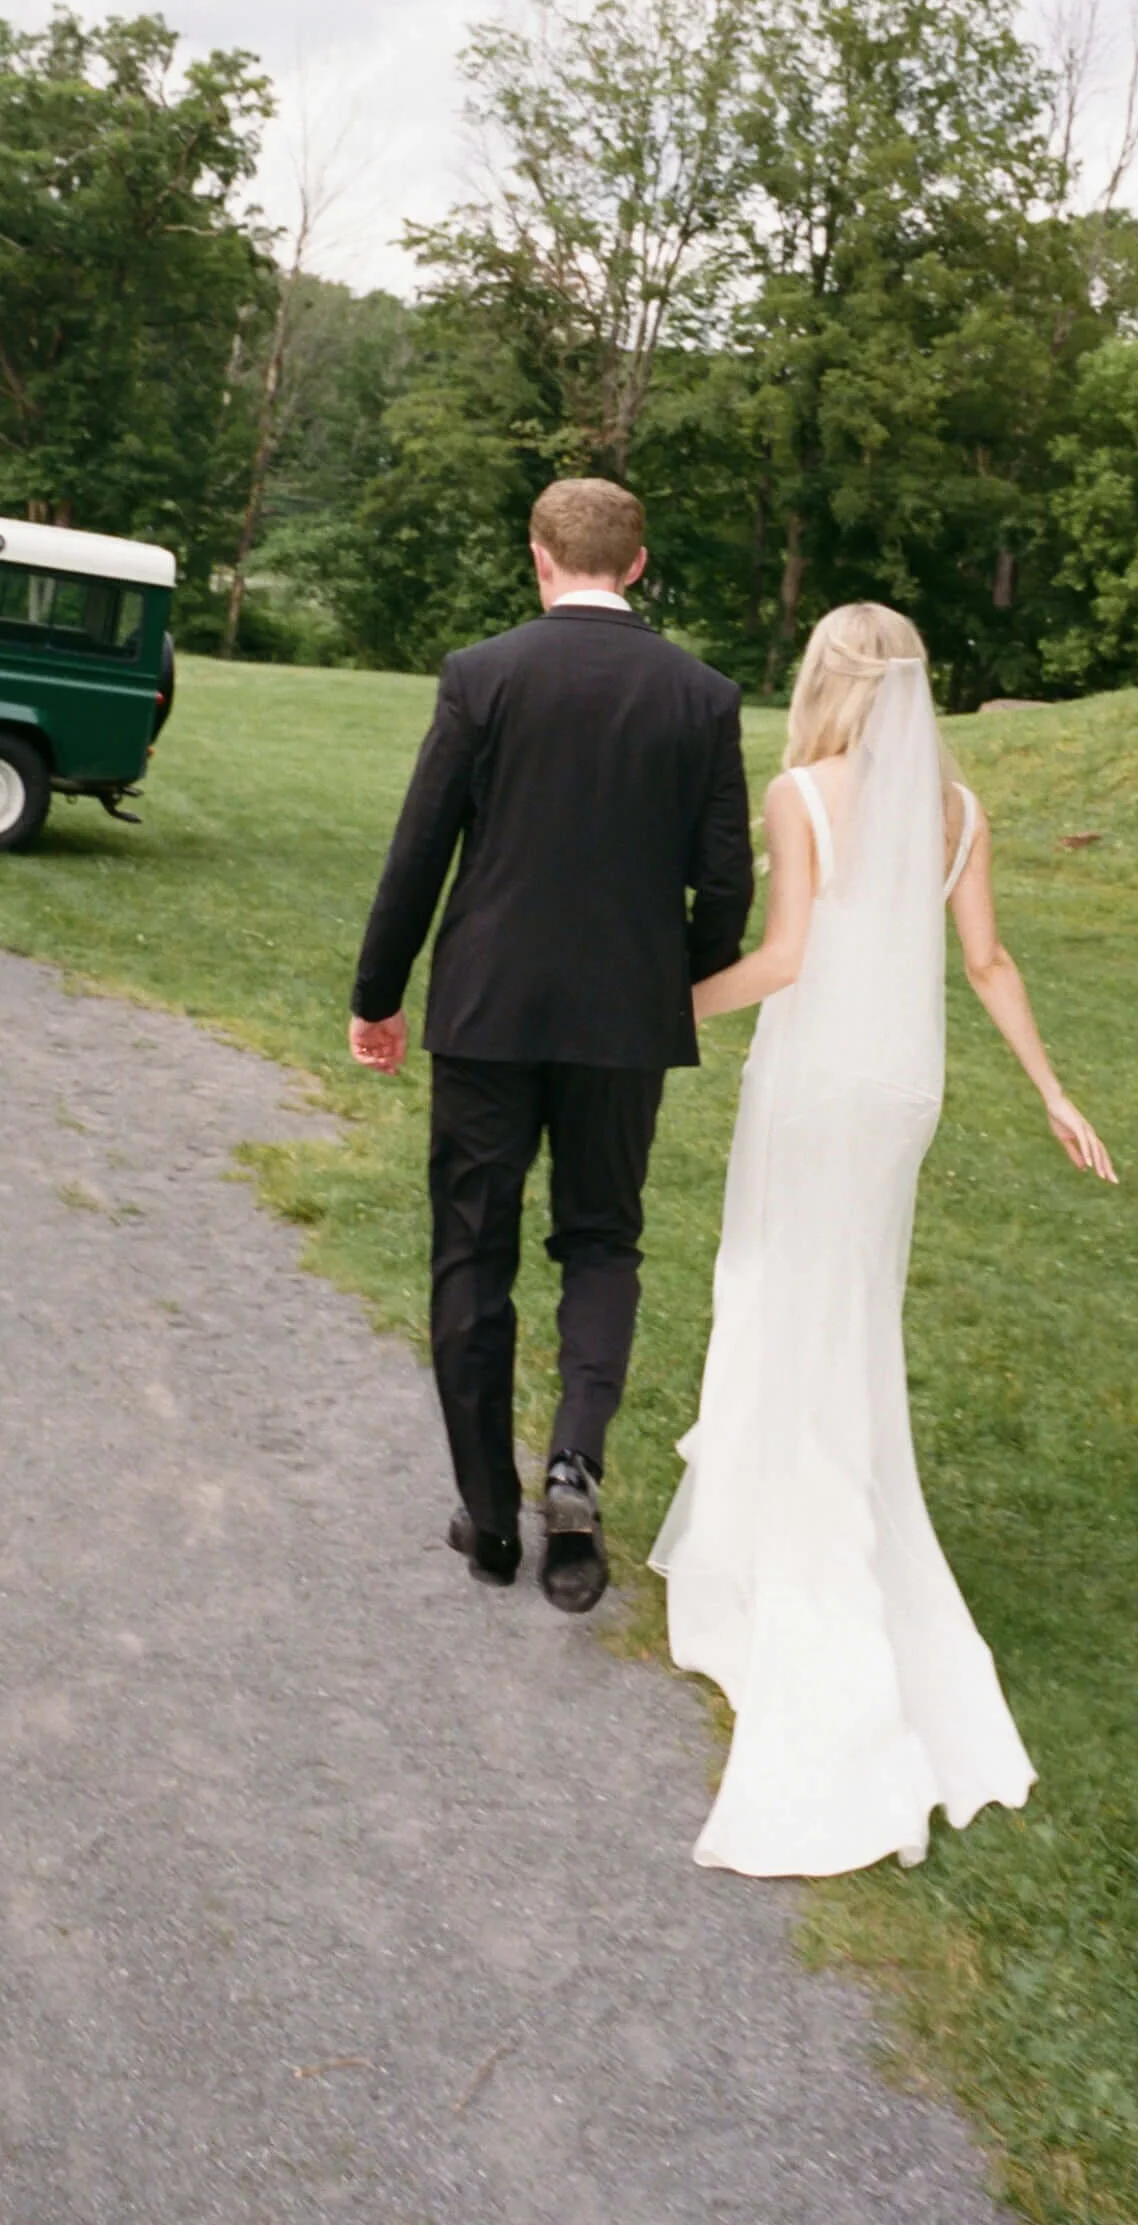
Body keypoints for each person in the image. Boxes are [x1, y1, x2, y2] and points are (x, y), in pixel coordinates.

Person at [650, 601, 1115, 1877]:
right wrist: (1050, 1089)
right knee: (846, 1307)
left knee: (772, 1283)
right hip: (903, 1091)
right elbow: (989, 962)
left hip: (815, 1087)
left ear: (825, 681)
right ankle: (805, 1506)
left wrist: (661, 1005)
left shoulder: (798, 790)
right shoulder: (958, 812)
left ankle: (786, 1557)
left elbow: (785, 959)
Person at [349, 478, 753, 1611]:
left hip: (487, 1008)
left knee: (471, 1245)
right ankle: (573, 1460)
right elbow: (723, 879)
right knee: (600, 1238)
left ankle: (487, 1514)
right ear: (634, 564)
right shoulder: (702, 695)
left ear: (539, 559)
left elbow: (420, 848)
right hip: (624, 1019)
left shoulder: (484, 675)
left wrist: (376, 992)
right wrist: (671, 981)